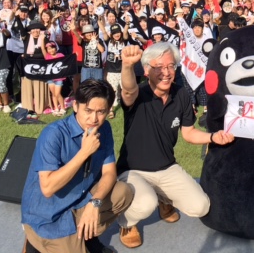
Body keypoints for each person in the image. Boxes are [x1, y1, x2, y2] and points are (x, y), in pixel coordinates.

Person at [116, 42, 234, 249]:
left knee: (201, 206)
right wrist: (126, 65)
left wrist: (214, 137)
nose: (166, 72)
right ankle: (128, 223)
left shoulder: (181, 95)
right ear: (146, 70)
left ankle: (164, 198)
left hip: (166, 167)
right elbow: (127, 90)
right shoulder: (138, 95)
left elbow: (188, 133)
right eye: (159, 67)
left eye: (171, 66)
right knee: (145, 204)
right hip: (133, 171)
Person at [21, 79, 134, 253]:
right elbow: (47, 188)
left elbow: (109, 172)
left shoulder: (104, 129)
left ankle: (87, 236)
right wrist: (84, 153)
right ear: (75, 106)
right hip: (49, 215)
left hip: (81, 199)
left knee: (123, 193)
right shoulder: (53, 134)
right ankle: (34, 241)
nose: (94, 119)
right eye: (88, 110)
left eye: (101, 112)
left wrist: (94, 203)